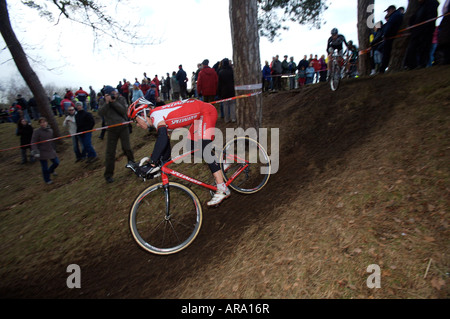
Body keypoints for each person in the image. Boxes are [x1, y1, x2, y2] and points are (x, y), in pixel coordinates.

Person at [128, 98, 231, 207]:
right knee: (190, 146)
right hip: (199, 116)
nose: (137, 125)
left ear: (142, 115)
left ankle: (222, 188)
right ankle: (222, 162)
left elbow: (162, 138)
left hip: (206, 112)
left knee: (204, 148)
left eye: (135, 120)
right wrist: (159, 162)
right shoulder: (158, 117)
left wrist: (153, 161)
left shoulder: (155, 115)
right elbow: (165, 143)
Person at [98, 86, 135, 183]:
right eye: (111, 93)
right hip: (111, 130)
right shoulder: (102, 101)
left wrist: (113, 102)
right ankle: (108, 175)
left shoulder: (120, 99)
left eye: (114, 93)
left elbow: (123, 111)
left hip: (123, 128)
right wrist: (107, 103)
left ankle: (132, 164)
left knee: (126, 147)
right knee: (110, 152)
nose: (113, 94)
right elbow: (101, 113)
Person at [404, 0, 439, 70]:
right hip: (417, 31)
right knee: (413, 48)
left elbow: (430, 19)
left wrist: (425, 29)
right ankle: (412, 65)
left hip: (425, 31)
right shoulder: (420, 7)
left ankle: (422, 64)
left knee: (423, 48)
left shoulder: (431, 4)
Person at [31, 117, 60, 184]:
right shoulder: (37, 131)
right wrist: (35, 151)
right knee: (44, 167)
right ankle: (47, 179)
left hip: (50, 149)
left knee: (56, 162)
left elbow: (51, 140)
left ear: (46, 122)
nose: (43, 124)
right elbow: (33, 142)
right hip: (42, 151)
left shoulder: (50, 130)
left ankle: (51, 170)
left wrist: (54, 147)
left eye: (44, 122)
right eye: (41, 122)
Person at [379, 5, 403, 73]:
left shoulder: (395, 16)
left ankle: (382, 69)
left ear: (392, 10)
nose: (387, 13)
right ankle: (384, 68)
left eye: (388, 11)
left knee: (386, 54)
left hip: (390, 37)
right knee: (386, 54)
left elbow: (390, 26)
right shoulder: (396, 15)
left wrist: (385, 35)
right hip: (391, 37)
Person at [217, 58, 236, 123]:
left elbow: (219, 83)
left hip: (224, 91)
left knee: (225, 105)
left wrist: (219, 92)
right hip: (231, 90)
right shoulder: (232, 71)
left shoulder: (220, 72)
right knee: (232, 104)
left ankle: (226, 119)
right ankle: (233, 118)